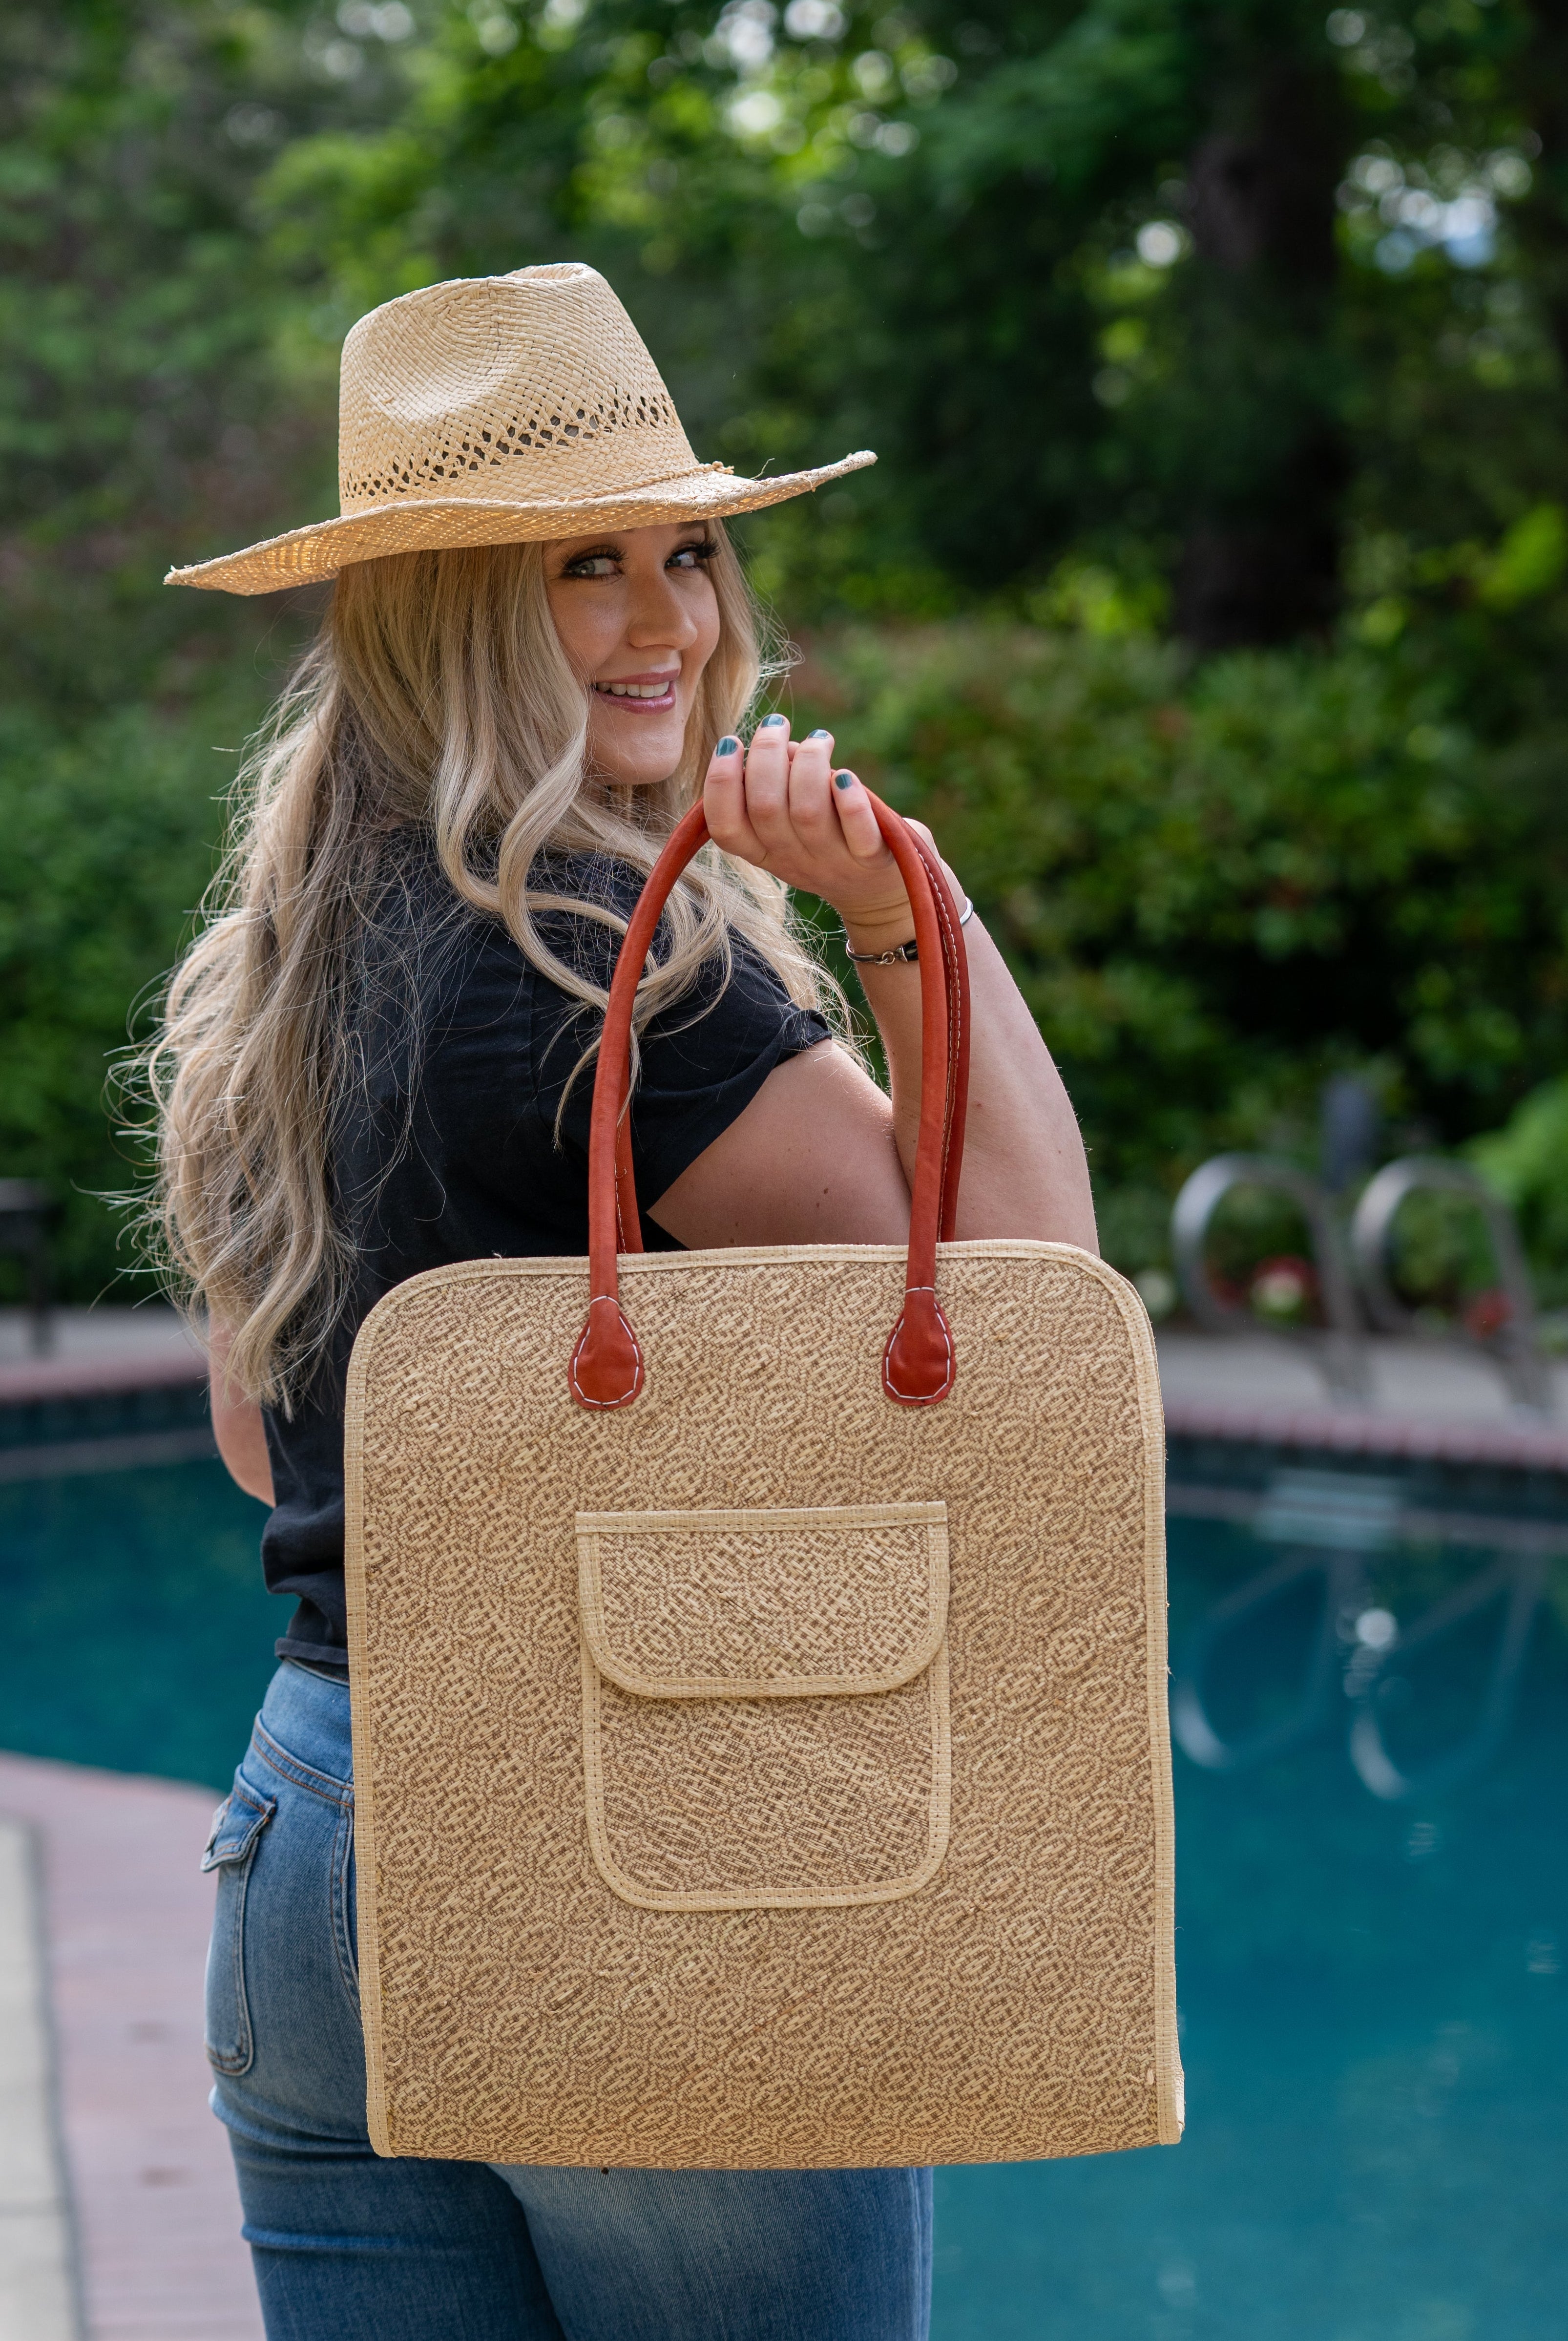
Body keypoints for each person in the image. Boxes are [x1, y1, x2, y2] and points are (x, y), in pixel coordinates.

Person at [151, 262, 1095, 2341]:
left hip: (310, 1836)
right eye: (587, 564)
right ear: (449, 605)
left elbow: (261, 1438)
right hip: (637, 1843)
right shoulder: (613, 955)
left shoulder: (286, 960)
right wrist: (894, 901)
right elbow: (1034, 1309)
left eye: (689, 550)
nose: (672, 619)